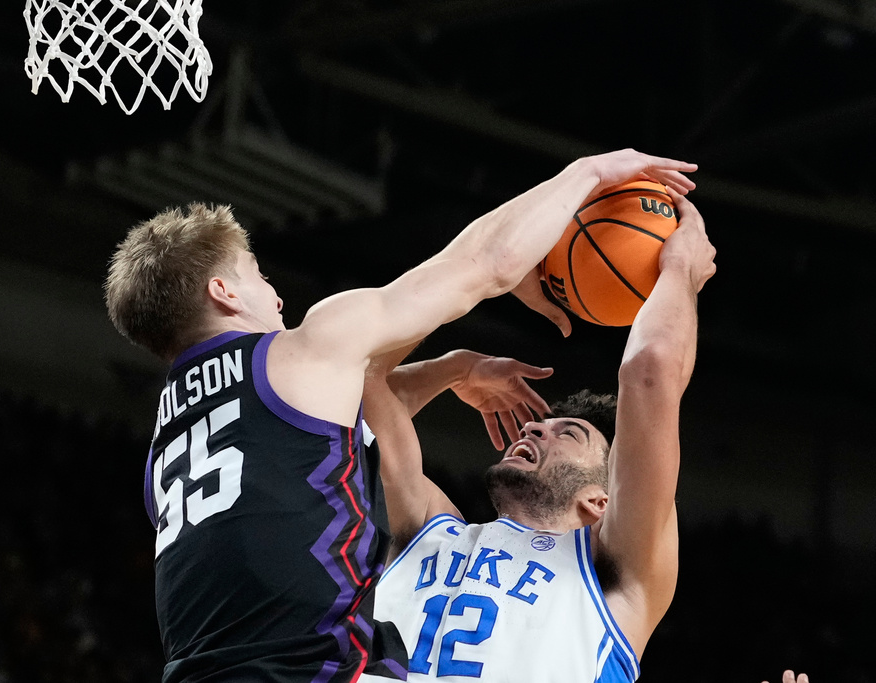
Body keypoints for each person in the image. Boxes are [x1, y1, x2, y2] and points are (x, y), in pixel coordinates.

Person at [103, 150, 698, 683]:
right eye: (259, 276)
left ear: (601, 499)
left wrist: (450, 368)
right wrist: (594, 179)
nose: (280, 299)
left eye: (566, 433)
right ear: (224, 291)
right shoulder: (310, 359)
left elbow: (359, 401)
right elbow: (481, 266)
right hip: (303, 668)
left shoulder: (169, 439)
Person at [359, 189, 716, 682]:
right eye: (540, 424)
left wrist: (680, 272)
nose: (533, 427)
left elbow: (650, 371)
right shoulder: (428, 529)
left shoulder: (616, 576)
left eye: (567, 433)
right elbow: (365, 382)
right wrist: (452, 365)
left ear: (601, 500)